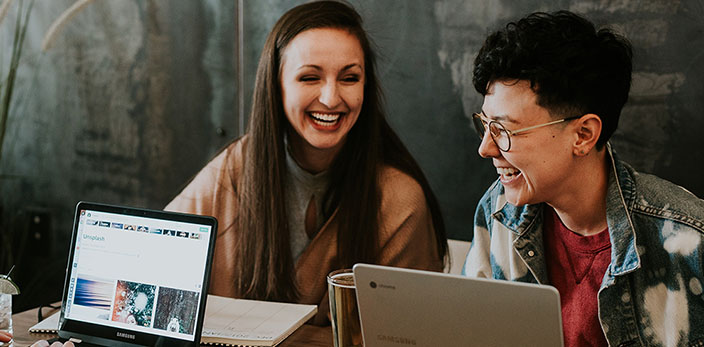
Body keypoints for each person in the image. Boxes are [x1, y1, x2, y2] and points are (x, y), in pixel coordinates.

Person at [166, 0, 447, 325]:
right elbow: (153, 261)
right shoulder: (232, 170)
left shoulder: (399, 201)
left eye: (350, 78)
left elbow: (411, 330)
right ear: (276, 86)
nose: (330, 98)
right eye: (309, 78)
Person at [463, 10, 704, 347]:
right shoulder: (498, 210)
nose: (486, 148)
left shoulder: (689, 241)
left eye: (503, 130)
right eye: (485, 125)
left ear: (584, 135)